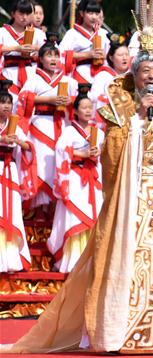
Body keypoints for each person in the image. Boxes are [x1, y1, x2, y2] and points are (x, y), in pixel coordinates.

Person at [4, 0, 153, 353]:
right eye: (145, 72)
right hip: (134, 195)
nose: (151, 78)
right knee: (131, 261)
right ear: (135, 76)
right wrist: (138, 121)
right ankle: (120, 330)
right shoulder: (121, 109)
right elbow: (111, 156)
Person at [47, 90, 104, 273]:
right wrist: (81, 153)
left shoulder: (98, 132)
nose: (88, 111)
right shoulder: (69, 131)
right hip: (74, 177)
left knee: (94, 216)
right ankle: (73, 260)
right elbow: (60, 150)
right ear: (76, 111)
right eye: (84, 108)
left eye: (90, 107)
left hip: (92, 178)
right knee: (75, 218)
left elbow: (105, 154)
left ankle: (92, 261)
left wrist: (99, 153)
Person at [19, 43, 77, 212]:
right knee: (40, 165)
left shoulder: (67, 81)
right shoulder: (34, 79)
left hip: (60, 124)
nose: (53, 59)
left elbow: (80, 102)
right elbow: (22, 98)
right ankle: (37, 210)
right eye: (49, 55)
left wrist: (70, 102)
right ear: (41, 59)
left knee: (55, 164)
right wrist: (48, 99)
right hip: (39, 124)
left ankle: (53, 210)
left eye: (56, 55)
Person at [0, 81, 32, 273]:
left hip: (9, 169)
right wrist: (2, 139)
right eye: (2, 102)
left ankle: (10, 258)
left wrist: (18, 141)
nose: (6, 106)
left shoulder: (14, 125)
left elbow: (28, 146)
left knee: (10, 210)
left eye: (8, 103)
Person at [59, 0, 109, 86]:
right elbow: (61, 53)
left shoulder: (104, 33)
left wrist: (105, 55)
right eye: (90, 13)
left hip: (101, 74)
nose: (94, 17)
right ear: (82, 13)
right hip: (80, 72)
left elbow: (112, 55)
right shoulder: (72, 33)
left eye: (96, 13)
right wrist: (87, 54)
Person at [1, 0, 46, 93]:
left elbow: (53, 51)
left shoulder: (38, 33)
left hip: (31, 74)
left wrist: (36, 48)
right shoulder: (2, 32)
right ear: (13, 13)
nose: (25, 17)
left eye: (28, 13)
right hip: (8, 74)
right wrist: (16, 48)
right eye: (21, 13)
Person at [89, 38, 131, 119]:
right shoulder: (103, 76)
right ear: (111, 58)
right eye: (120, 55)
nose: (124, 58)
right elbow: (94, 97)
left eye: (127, 54)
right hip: (107, 117)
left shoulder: (133, 76)